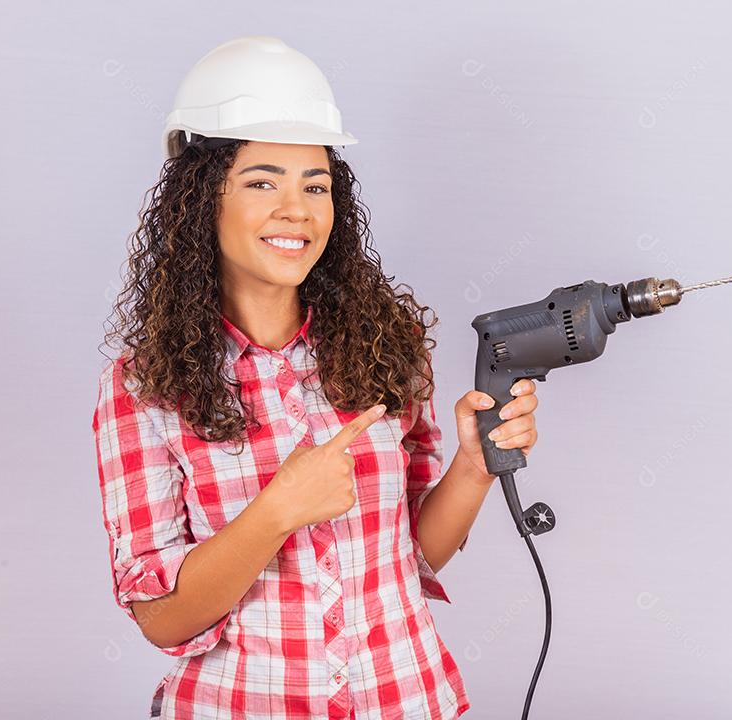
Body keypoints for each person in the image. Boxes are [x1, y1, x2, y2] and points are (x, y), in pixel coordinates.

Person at [92, 37, 540, 720]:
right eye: (262, 181)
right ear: (200, 200)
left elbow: (414, 558)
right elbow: (161, 619)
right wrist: (277, 510)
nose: (296, 209)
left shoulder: (385, 347)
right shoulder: (144, 387)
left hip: (406, 700)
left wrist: (475, 468)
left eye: (316, 185)